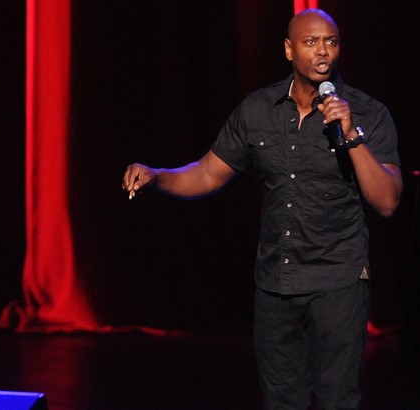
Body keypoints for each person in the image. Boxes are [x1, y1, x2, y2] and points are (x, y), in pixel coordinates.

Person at [122, 8, 402, 409]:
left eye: (331, 42)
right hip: (276, 284)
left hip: (337, 281)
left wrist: (351, 134)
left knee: (336, 399)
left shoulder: (368, 114)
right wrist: (156, 176)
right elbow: (205, 174)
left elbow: (388, 200)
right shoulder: (257, 111)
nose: (323, 52)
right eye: (310, 42)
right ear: (289, 50)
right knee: (280, 400)